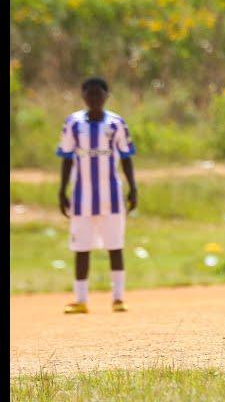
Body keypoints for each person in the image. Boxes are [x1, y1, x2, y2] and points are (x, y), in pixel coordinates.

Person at [56, 77, 137, 314]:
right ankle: (81, 299)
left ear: (106, 96)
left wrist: (133, 187)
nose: (94, 99)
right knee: (81, 247)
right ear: (83, 97)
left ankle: (118, 298)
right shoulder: (73, 123)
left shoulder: (116, 123)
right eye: (89, 95)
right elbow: (67, 159)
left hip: (111, 196)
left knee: (115, 245)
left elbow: (126, 157)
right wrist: (62, 191)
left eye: (98, 95)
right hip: (82, 197)